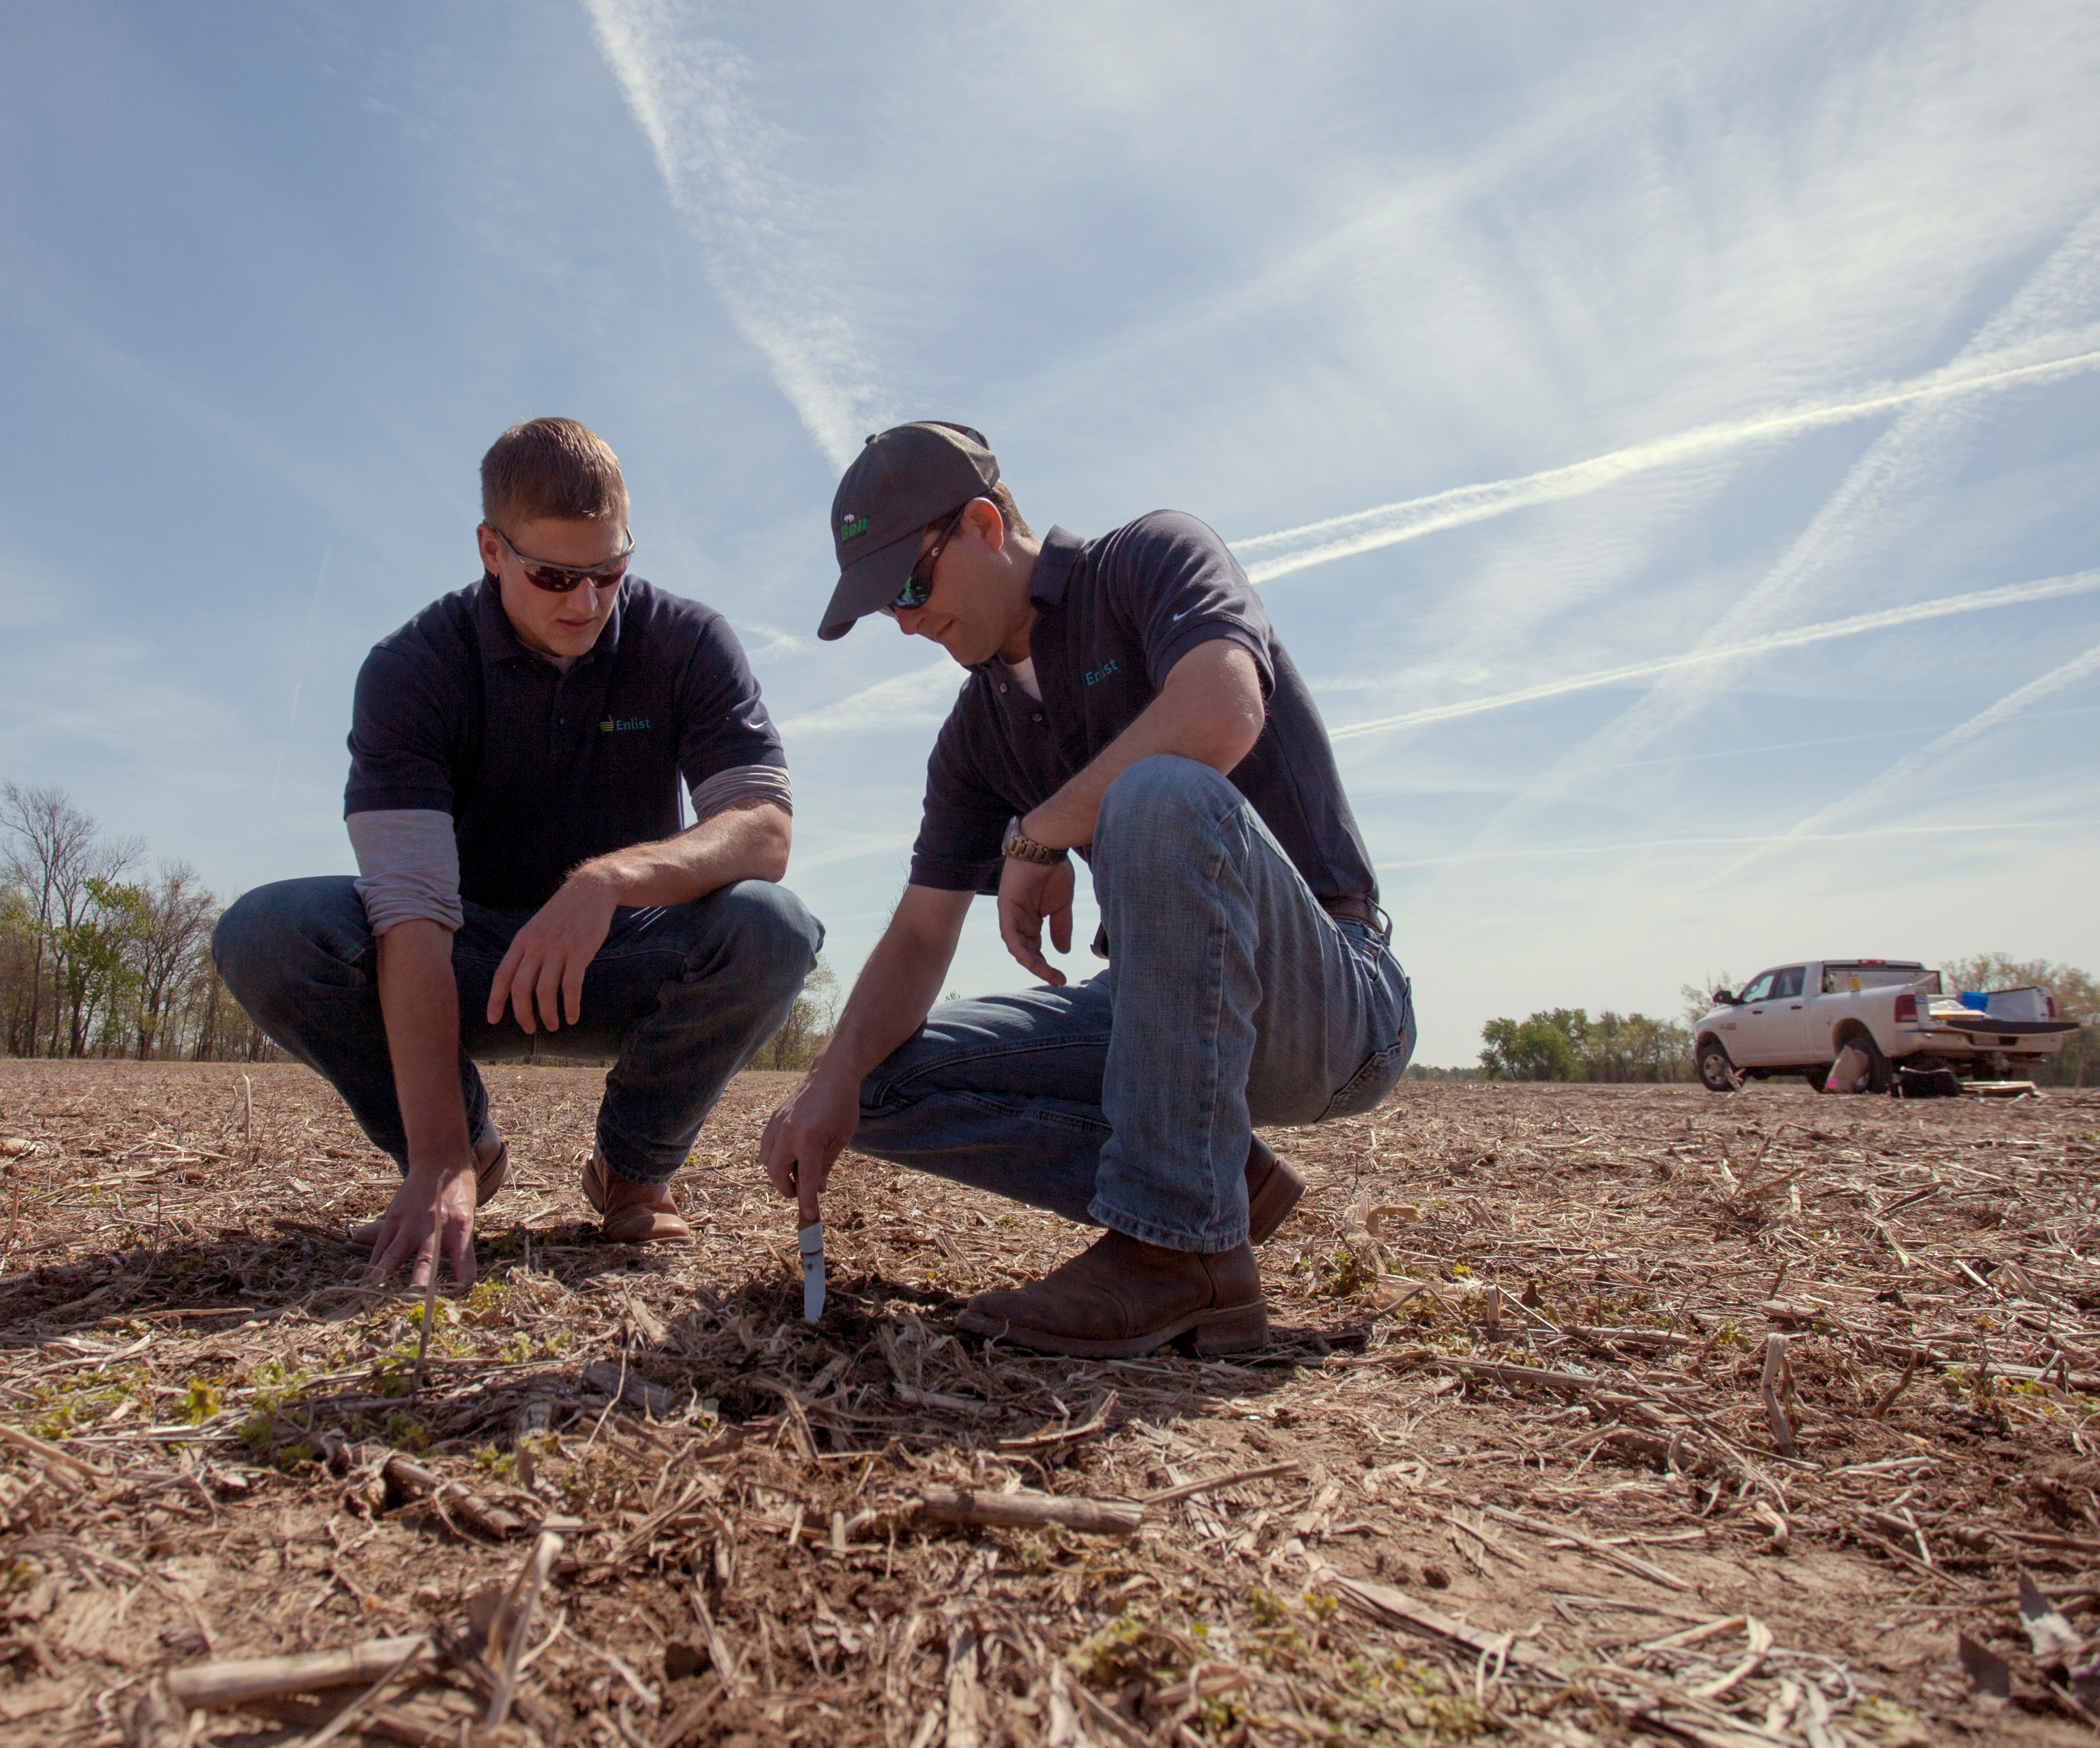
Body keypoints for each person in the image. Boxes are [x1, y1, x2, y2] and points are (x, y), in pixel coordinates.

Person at [759, 422, 1413, 1357]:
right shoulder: (974, 733)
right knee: (876, 1078)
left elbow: (1222, 710)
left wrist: (1041, 829)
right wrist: (826, 1081)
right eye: (883, 609)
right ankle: (1214, 1166)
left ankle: (1181, 1246)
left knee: (1163, 791)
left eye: (910, 584)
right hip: (1157, 1008)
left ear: (985, 524)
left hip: (1331, 999)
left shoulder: (1150, 559)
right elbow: (918, 936)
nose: (904, 621)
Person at [217, 417, 821, 1292]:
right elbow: (411, 911)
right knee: (268, 931)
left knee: (774, 927)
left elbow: (764, 828)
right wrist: (437, 1151)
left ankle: (633, 1172)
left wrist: (609, 881)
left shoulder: (688, 642)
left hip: (619, 955)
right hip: (457, 958)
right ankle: (472, 1154)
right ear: (490, 549)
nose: (586, 604)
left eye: (609, 573)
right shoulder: (412, 668)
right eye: (553, 576)